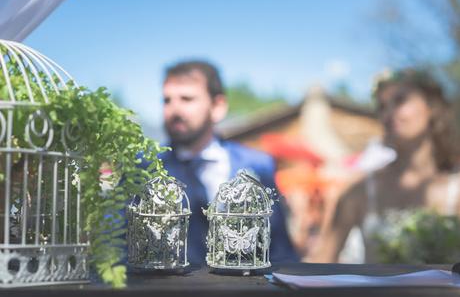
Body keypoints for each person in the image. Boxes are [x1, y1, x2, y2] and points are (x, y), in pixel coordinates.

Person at [139, 60, 298, 265]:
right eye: (167, 100)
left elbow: (280, 249)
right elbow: (119, 251)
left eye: (187, 99)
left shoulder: (259, 165)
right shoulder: (143, 169)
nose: (174, 110)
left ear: (218, 107)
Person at [308, 68, 460, 263]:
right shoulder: (360, 189)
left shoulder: (455, 189)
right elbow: (319, 266)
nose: (389, 114)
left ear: (432, 106)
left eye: (400, 101)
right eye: (382, 107)